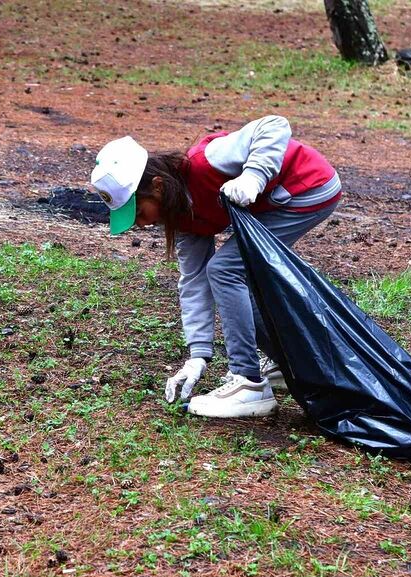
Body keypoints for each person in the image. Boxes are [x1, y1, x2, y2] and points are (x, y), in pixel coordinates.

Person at [90, 115, 342, 418]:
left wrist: (254, 176)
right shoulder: (183, 219)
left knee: (226, 269)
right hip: (282, 200)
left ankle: (248, 383)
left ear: (157, 186)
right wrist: (198, 354)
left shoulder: (206, 162)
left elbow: (273, 125)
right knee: (234, 276)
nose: (140, 224)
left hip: (309, 187)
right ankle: (280, 361)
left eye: (139, 212)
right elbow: (194, 281)